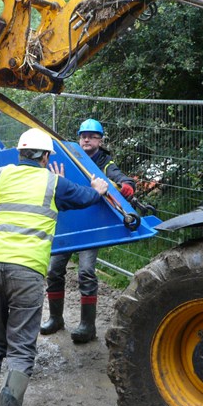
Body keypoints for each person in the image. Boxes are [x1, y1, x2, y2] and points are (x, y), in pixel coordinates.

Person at [0, 128, 109, 406]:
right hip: (26, 271)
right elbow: (85, 197)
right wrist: (98, 188)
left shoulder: (1, 176)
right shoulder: (53, 183)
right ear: (46, 157)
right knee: (20, 349)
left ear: (20, 153)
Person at [41, 118, 135, 343]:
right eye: (83, 135)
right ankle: (56, 318)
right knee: (54, 271)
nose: (86, 139)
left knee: (85, 272)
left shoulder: (105, 164)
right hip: (67, 224)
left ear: (100, 141)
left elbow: (124, 182)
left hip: (90, 229)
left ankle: (87, 325)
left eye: (92, 136)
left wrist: (122, 186)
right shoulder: (68, 159)